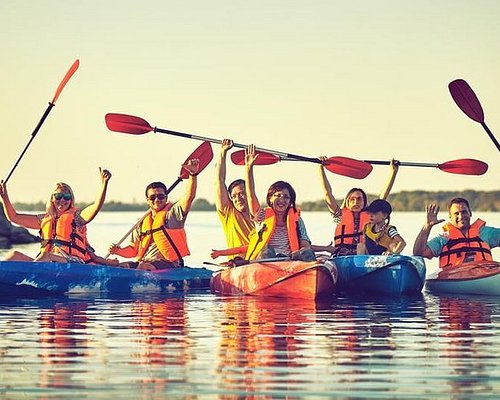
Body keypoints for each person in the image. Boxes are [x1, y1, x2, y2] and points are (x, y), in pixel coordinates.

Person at [0, 168, 112, 263]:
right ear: (52, 198)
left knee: (46, 256)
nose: (62, 200)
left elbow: (96, 206)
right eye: (58, 196)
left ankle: (34, 275)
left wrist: (104, 184)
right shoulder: (44, 219)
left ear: (71, 199)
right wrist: (5, 198)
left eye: (67, 197)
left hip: (73, 262)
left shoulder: (77, 218)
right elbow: (13, 217)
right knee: (14, 255)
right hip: (49, 263)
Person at [108, 159, 199, 270]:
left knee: (143, 266)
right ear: (147, 200)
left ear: (166, 198)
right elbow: (133, 250)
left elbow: (189, 197)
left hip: (169, 264)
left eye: (160, 196)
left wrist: (192, 174)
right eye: (152, 197)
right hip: (144, 262)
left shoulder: (172, 215)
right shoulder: (141, 222)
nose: (156, 200)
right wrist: (118, 251)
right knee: (119, 266)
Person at [244, 144, 315, 261]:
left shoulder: (298, 221)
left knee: (307, 252)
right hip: (267, 260)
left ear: (290, 201)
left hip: (290, 261)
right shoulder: (261, 216)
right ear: (270, 199)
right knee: (267, 249)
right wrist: (248, 168)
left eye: (286, 197)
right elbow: (250, 195)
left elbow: (305, 244)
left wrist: (304, 253)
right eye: (277, 195)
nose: (281, 200)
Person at [317, 158, 399, 256]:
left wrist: (393, 172)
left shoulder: (371, 216)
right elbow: (327, 194)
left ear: (364, 201)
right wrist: (320, 168)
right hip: (343, 255)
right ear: (347, 201)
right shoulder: (339, 215)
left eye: (359, 199)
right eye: (352, 199)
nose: (356, 202)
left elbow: (383, 196)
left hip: (364, 254)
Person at [413, 197, 499, 268]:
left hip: (484, 277)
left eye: (464, 212)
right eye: (456, 213)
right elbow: (419, 252)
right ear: (450, 217)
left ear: (470, 213)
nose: (461, 216)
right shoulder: (444, 239)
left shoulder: (486, 233)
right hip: (454, 280)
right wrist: (427, 227)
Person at [212, 139, 253, 259]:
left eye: (242, 194)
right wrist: (223, 153)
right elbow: (219, 181)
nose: (238, 198)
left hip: (260, 261)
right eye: (234, 196)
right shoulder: (229, 213)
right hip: (238, 264)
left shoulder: (260, 215)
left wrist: (249, 167)